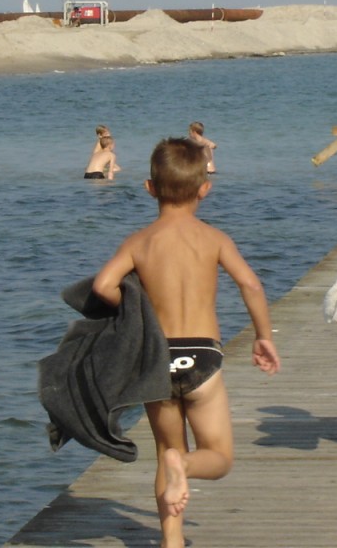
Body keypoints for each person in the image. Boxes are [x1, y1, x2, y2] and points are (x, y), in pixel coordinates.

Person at [92, 138, 280, 547]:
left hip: (157, 358)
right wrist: (263, 336)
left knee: (165, 448)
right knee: (218, 456)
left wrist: (131, 306)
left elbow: (103, 285)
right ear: (204, 189)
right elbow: (249, 282)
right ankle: (187, 466)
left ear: (149, 188)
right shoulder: (213, 238)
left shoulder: (139, 242)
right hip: (203, 358)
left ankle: (171, 539)